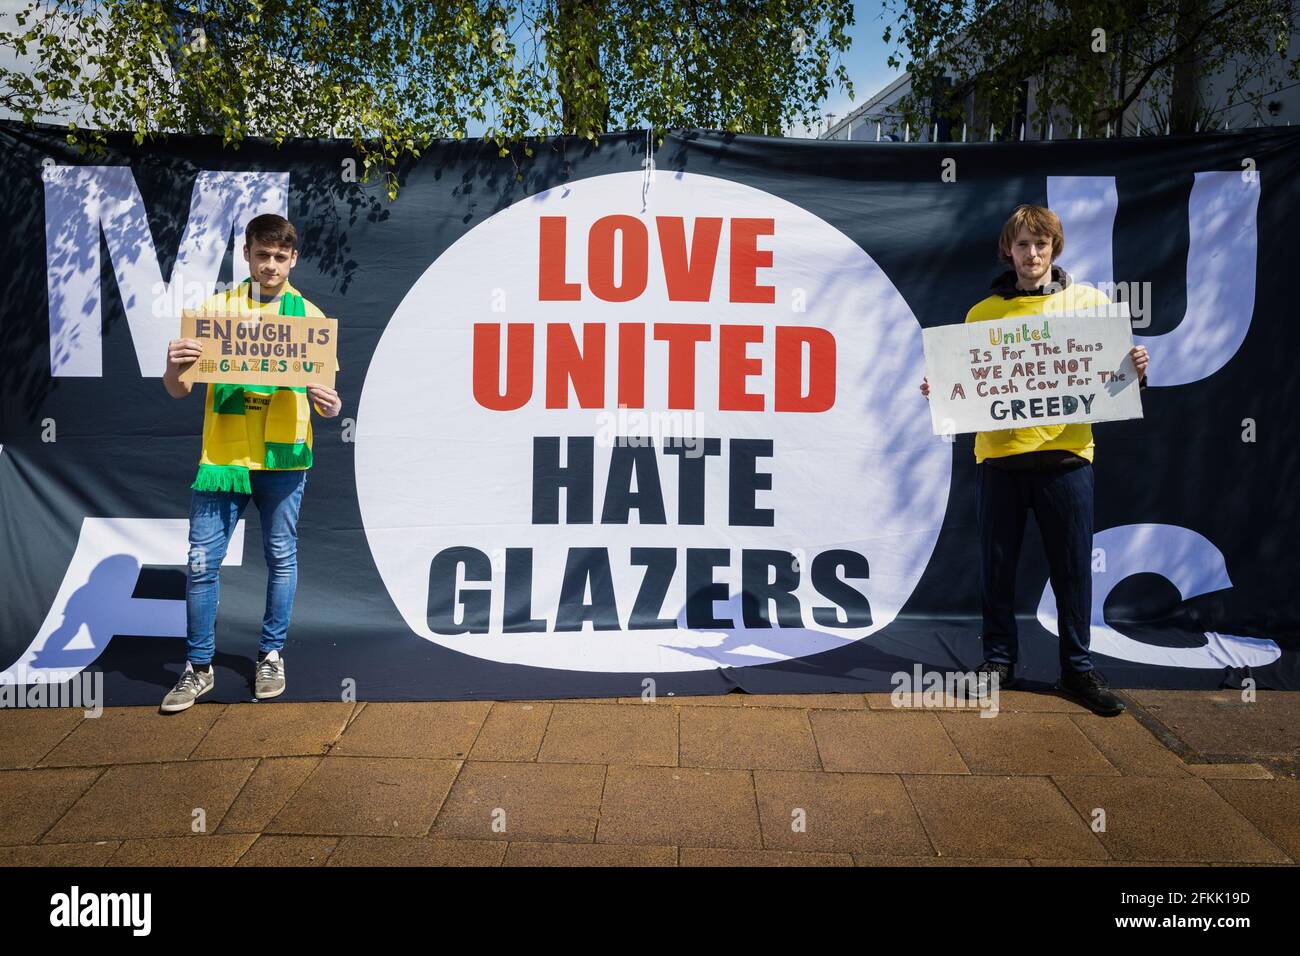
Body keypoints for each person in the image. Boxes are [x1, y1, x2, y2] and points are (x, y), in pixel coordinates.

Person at [921, 204, 1149, 716]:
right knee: (996, 568)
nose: (1032, 253)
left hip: (1068, 458)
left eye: (1041, 244)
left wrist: (1134, 370)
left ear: (1055, 249)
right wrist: (942, 392)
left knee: (1072, 570)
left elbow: (1112, 382)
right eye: (1022, 244)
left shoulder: (1089, 303)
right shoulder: (983, 314)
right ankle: (998, 661)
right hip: (1000, 459)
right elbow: (969, 386)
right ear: (1010, 250)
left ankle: (1077, 669)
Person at [159, 214, 342, 713]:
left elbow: (328, 400)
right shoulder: (215, 313)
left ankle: (271, 654)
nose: (271, 265)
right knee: (201, 564)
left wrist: (332, 406)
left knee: (281, 557)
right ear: (247, 254)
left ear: (293, 259)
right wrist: (174, 366)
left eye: (281, 257)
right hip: (224, 458)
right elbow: (178, 391)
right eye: (263, 255)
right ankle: (198, 668)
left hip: (284, 457)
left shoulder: (309, 318)